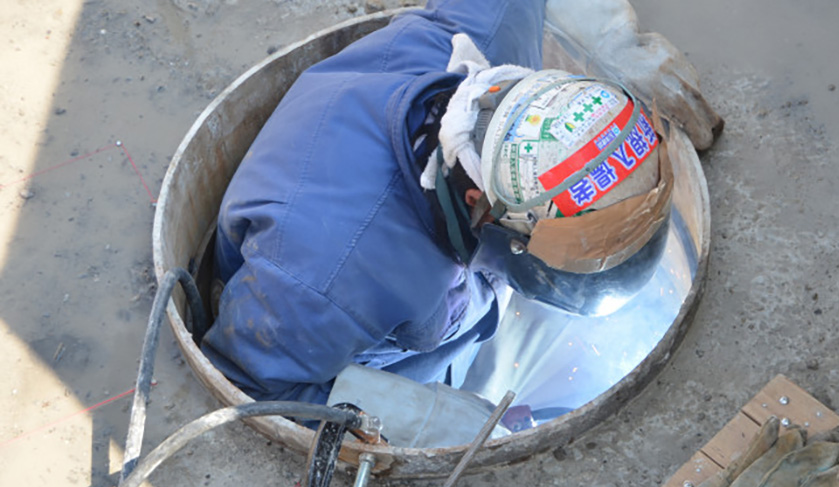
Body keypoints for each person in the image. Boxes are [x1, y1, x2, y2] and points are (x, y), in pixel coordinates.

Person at [201, 0, 722, 406]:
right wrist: (417, 420)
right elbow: (247, 390)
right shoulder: (321, 285)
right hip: (326, 320)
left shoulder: (490, 37)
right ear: (479, 206)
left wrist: (613, 42)